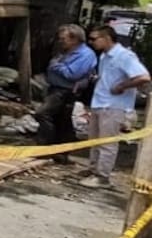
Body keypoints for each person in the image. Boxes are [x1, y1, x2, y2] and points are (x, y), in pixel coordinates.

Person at [79, 25, 151, 188]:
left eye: (94, 39)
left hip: (114, 106)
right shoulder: (104, 56)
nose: (91, 42)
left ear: (106, 38)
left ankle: (102, 177)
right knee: (94, 140)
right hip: (100, 102)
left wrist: (122, 86)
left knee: (107, 143)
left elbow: (143, 77)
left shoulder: (124, 56)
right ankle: (93, 169)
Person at [34, 24, 96, 163]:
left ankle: (45, 148)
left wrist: (56, 66)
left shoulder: (85, 55)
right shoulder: (66, 51)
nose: (61, 41)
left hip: (65, 91)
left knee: (43, 113)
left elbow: (72, 74)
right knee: (61, 120)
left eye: (64, 39)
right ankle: (60, 152)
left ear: (75, 39)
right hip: (55, 88)